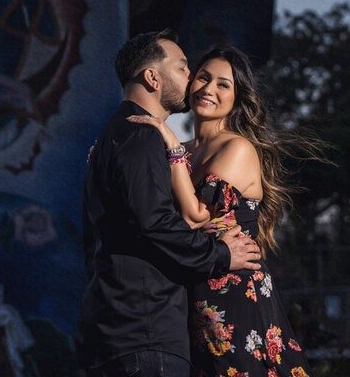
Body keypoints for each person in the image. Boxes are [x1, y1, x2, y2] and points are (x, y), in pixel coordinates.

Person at [77, 30, 264, 377]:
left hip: (185, 315)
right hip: (145, 329)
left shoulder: (118, 137)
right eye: (186, 70)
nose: (196, 81)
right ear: (152, 77)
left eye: (222, 84)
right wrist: (222, 254)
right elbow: (158, 224)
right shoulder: (143, 136)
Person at [128, 44, 314, 377]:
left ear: (237, 97)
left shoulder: (237, 147)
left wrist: (171, 147)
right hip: (186, 302)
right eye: (203, 78)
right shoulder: (184, 151)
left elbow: (192, 218)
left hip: (234, 300)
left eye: (223, 84)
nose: (209, 89)